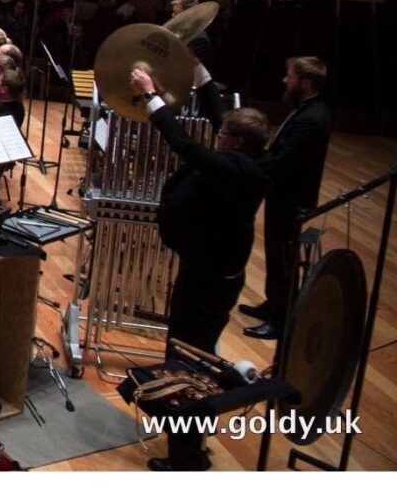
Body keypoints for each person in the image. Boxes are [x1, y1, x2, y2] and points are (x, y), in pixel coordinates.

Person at [129, 68, 269, 471]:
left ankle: (188, 457)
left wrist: (152, 96)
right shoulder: (244, 157)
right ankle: (185, 441)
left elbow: (185, 144)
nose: (217, 137)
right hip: (203, 272)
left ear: (237, 143)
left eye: (223, 135)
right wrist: (198, 73)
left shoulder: (238, 171)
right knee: (189, 354)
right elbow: (217, 114)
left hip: (207, 283)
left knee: (190, 361)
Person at [242, 56, 333, 340]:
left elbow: (285, 160)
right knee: (276, 253)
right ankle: (274, 304)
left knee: (284, 258)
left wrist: (250, 167)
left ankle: (280, 321)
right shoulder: (308, 110)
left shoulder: (312, 118)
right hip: (283, 196)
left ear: (305, 83)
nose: (285, 81)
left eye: (290, 77)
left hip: (292, 200)